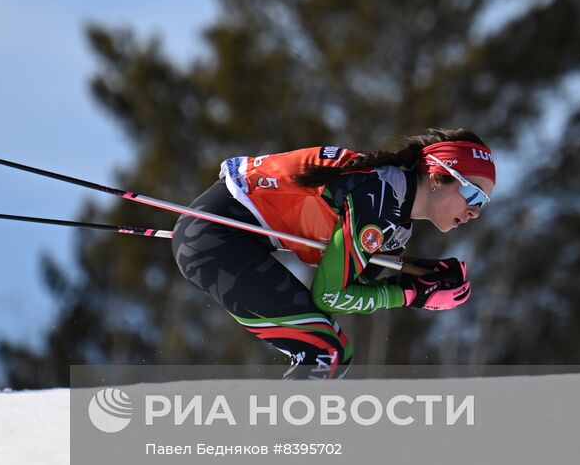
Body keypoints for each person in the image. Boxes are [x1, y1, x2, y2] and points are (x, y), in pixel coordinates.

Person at [171, 129, 495, 379]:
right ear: (438, 176)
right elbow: (330, 296)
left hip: (225, 239)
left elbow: (349, 291)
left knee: (330, 348)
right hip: (214, 237)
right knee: (328, 352)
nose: (474, 211)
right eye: (472, 193)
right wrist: (410, 294)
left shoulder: (396, 222)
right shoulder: (380, 199)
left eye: (482, 203)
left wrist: (420, 277)